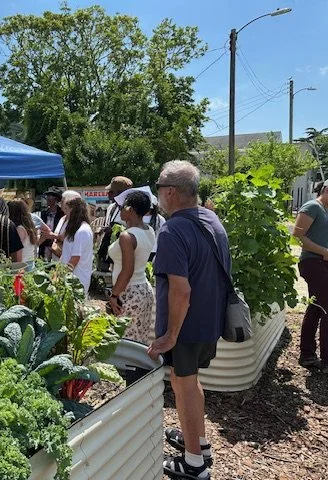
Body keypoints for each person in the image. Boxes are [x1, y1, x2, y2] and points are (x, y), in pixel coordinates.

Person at [147, 160, 230, 480]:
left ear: (169, 192)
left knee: (183, 386)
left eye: (158, 188)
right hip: (210, 323)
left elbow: (180, 291)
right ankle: (200, 442)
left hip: (185, 327)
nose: (157, 195)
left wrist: (169, 335)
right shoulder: (212, 219)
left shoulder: (172, 229)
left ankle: (194, 463)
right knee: (192, 383)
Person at [107, 191, 155, 344]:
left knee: (125, 342)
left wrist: (114, 296)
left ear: (130, 210)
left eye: (122, 206)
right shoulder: (149, 231)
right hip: (143, 290)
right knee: (139, 338)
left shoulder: (127, 236)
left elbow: (127, 271)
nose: (120, 210)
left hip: (128, 292)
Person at [292, 179, 328, 373]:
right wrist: (324, 251)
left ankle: (307, 355)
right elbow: (298, 235)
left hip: (323, 263)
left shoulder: (325, 210)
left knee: (316, 307)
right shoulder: (313, 206)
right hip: (313, 263)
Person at [51, 197, 93, 294]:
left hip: (77, 280)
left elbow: (75, 259)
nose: (65, 213)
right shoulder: (75, 229)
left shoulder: (82, 231)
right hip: (70, 278)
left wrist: (59, 276)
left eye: (67, 209)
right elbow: (66, 254)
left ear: (74, 211)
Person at [40, 190, 82, 262]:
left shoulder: (75, 220)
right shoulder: (63, 218)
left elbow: (65, 237)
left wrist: (51, 235)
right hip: (51, 252)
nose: (61, 203)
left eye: (62, 201)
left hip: (66, 259)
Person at [8, 199, 38, 270]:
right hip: (30, 264)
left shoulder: (20, 229)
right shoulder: (28, 227)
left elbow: (19, 251)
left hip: (24, 266)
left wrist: (18, 269)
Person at [38, 188, 64, 260]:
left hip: (56, 245)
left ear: (56, 199)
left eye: (50, 197)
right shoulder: (43, 213)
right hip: (44, 245)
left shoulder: (62, 214)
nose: (47, 199)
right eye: (47, 197)